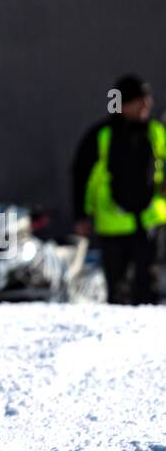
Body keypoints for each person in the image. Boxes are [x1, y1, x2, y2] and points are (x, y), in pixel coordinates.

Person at [71, 74, 165, 305]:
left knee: (148, 290)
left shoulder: (156, 131)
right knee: (118, 291)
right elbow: (80, 175)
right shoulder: (102, 135)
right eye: (139, 100)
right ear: (123, 105)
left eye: (147, 99)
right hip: (112, 224)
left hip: (149, 221)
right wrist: (81, 216)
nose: (146, 105)